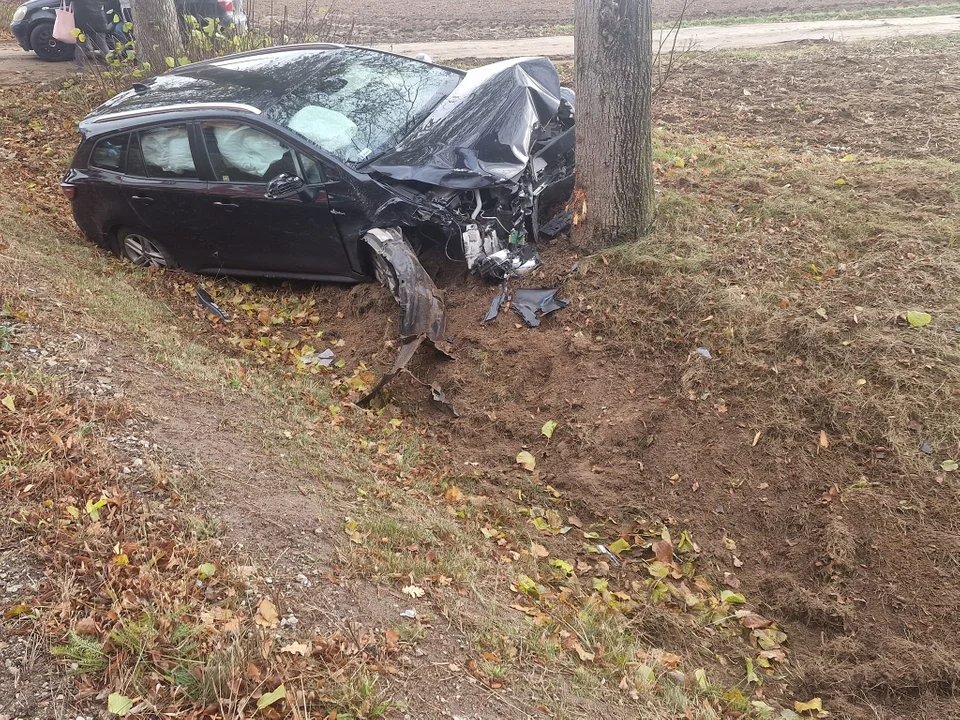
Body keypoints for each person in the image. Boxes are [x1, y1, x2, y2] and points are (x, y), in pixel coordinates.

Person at [72, 0, 110, 68]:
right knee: (102, 44)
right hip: (99, 18)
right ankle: (110, 65)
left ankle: (80, 68)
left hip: (82, 20)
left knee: (80, 45)